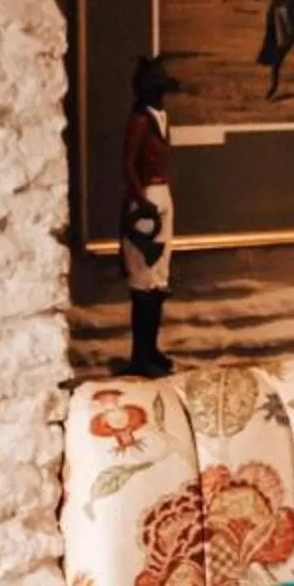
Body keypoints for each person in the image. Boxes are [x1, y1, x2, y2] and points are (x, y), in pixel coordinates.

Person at [117, 55, 180, 377]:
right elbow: (129, 163)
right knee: (143, 279)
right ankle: (140, 355)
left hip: (162, 192)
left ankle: (151, 348)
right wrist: (142, 201)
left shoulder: (160, 117)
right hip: (148, 196)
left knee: (159, 277)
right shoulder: (141, 120)